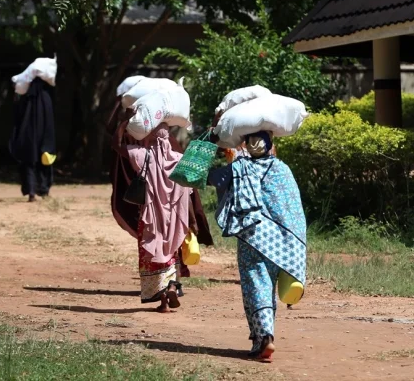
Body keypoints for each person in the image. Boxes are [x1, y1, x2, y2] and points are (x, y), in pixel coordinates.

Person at [211, 130, 306, 362]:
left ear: (246, 145)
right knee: (268, 288)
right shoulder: (283, 170)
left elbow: (196, 176)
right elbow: (294, 211)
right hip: (281, 242)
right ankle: (262, 336)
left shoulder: (238, 169)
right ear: (271, 145)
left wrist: (210, 142)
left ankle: (264, 336)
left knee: (257, 286)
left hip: (252, 237)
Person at [106, 99, 213, 297]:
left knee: (154, 250)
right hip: (176, 219)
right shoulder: (181, 160)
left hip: (152, 218)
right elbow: (189, 194)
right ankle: (172, 286)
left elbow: (116, 145)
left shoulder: (142, 155)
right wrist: (191, 221)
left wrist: (125, 121)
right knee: (172, 251)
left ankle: (160, 294)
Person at [9, 77, 56, 202]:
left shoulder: (26, 99)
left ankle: (31, 192)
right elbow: (50, 122)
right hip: (44, 138)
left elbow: (18, 119)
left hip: (28, 138)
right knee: (44, 161)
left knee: (29, 162)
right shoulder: (46, 98)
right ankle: (44, 191)